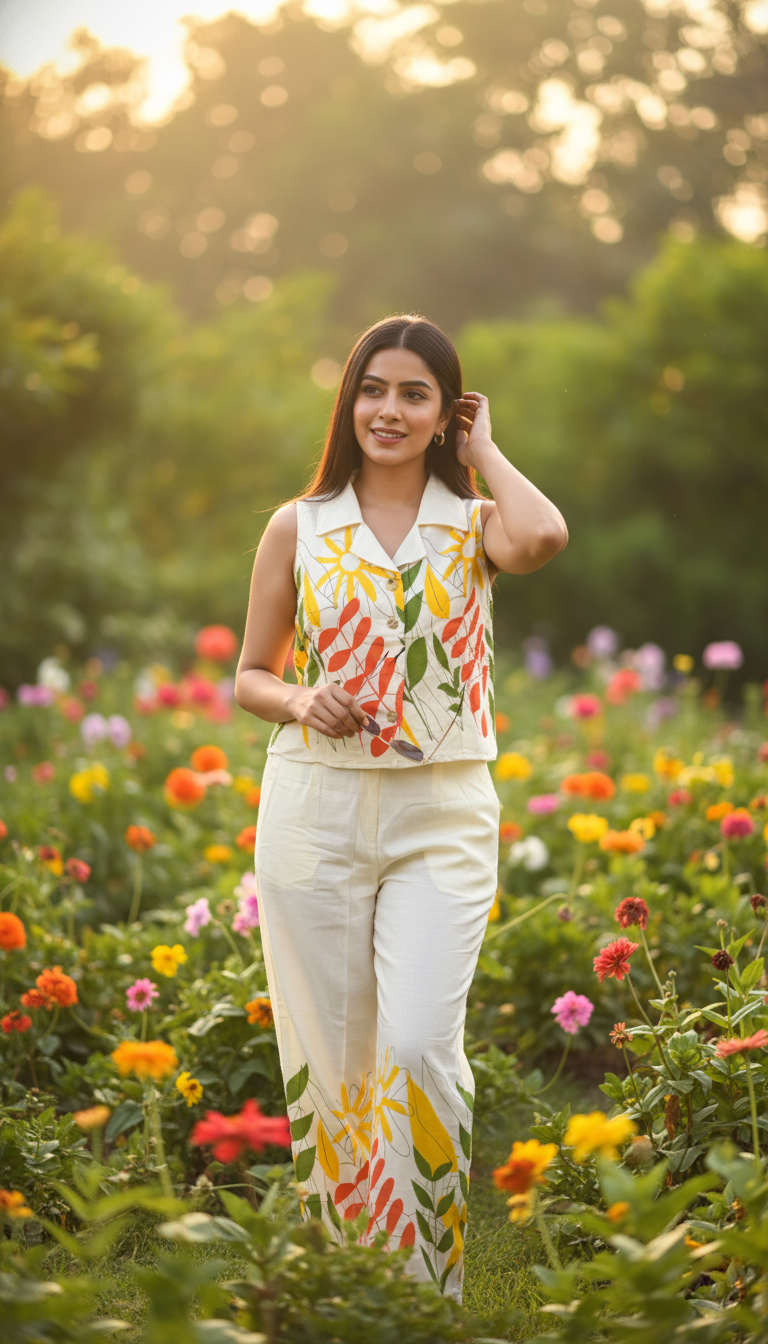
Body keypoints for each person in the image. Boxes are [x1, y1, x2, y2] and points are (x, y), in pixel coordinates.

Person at [235, 314, 567, 1299]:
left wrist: (487, 452)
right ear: (350, 400)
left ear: (445, 413)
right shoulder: (299, 525)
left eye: (415, 393)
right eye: (373, 388)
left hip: (443, 814)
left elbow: (543, 535)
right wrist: (300, 697)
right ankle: (349, 1288)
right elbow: (251, 672)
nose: (388, 408)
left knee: (421, 1043)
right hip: (315, 812)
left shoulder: (474, 525)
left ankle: (427, 1291)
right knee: (334, 1060)